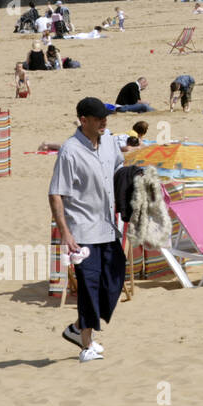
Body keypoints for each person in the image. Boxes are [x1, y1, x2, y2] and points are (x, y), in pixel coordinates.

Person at [48, 97, 126, 362]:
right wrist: (65, 233)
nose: (104, 121)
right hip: (82, 232)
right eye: (98, 118)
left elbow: (118, 170)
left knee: (114, 281)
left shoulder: (110, 142)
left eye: (106, 117)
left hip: (108, 228)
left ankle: (78, 328)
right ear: (83, 120)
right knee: (89, 287)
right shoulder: (69, 151)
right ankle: (86, 345)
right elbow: (56, 194)